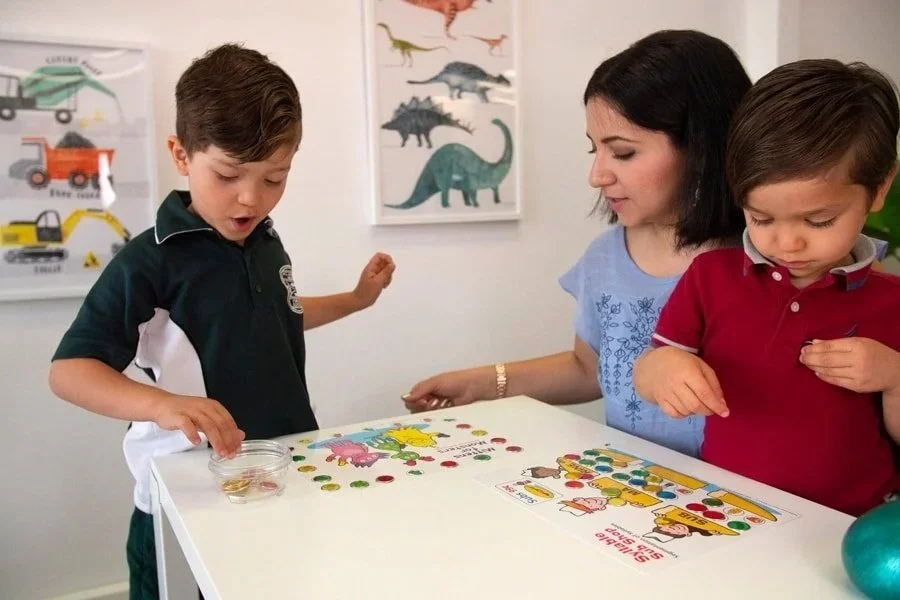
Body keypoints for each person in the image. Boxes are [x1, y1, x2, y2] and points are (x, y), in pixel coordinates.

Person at [47, 44, 396, 599]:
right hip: (187, 496)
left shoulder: (263, 240)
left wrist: (356, 299)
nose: (251, 198)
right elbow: (69, 371)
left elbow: (278, 316)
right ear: (182, 156)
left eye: (275, 178)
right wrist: (164, 406)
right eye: (229, 174)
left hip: (283, 473)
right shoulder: (151, 259)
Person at [401, 30, 752, 458]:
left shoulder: (767, 261)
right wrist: (482, 383)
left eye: (622, 153)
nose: (597, 175)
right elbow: (589, 369)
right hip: (643, 503)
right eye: (594, 151)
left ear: (702, 147)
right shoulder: (605, 258)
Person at [633, 59, 900, 516]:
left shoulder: (891, 300)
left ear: (879, 189)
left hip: (851, 523)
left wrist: (894, 376)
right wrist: (662, 372)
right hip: (732, 510)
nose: (788, 242)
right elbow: (649, 366)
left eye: (820, 221)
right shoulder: (711, 277)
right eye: (761, 219)